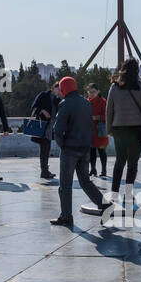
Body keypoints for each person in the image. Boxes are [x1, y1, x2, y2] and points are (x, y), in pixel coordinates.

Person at [48, 77, 108, 227]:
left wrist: (63, 146)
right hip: (85, 148)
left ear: (63, 89)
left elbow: (58, 129)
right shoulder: (86, 102)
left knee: (65, 185)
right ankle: (106, 205)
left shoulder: (65, 104)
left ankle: (66, 216)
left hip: (70, 150)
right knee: (85, 181)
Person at [105, 58, 141, 210]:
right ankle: (128, 195)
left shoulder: (115, 88)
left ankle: (113, 194)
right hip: (138, 130)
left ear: (122, 70)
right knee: (133, 164)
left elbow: (109, 110)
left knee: (119, 161)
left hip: (119, 128)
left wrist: (109, 129)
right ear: (137, 71)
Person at [30, 80, 61, 180]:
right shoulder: (43, 95)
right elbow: (33, 107)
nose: (59, 91)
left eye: (60, 89)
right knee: (44, 149)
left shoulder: (58, 99)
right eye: (58, 88)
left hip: (50, 127)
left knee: (46, 149)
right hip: (41, 125)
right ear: (53, 88)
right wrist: (43, 111)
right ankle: (44, 171)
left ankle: (45, 171)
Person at [87, 84, 109, 177]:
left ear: (98, 91)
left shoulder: (103, 102)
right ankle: (93, 169)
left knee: (102, 151)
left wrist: (97, 117)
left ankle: (104, 170)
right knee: (91, 151)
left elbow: (108, 116)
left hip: (101, 130)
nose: (92, 94)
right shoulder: (86, 101)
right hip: (90, 130)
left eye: (94, 92)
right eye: (90, 92)